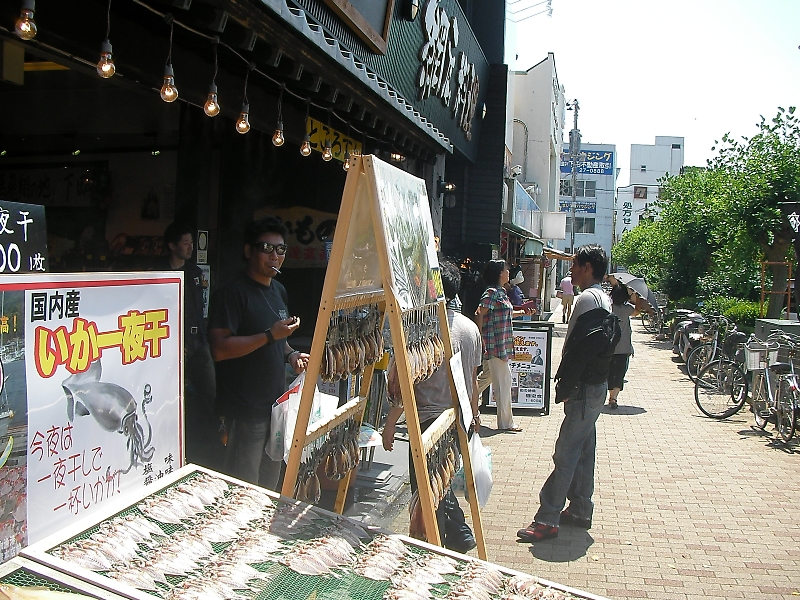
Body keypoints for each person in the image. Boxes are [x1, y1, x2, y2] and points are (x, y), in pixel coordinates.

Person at [517, 244, 619, 542]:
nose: (571, 270)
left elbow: (579, 350)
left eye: (575, 265)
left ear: (588, 268)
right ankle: (580, 509)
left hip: (584, 389)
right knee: (584, 450)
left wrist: (566, 385)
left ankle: (547, 518)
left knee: (566, 452)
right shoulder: (602, 297)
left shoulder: (588, 299)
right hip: (593, 387)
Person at [382, 259, 481, 553]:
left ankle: (443, 543)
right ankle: (456, 537)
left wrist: (390, 423)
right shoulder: (470, 328)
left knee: (427, 490)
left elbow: (406, 384)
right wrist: (474, 416)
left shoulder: (420, 331)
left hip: (426, 422)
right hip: (458, 419)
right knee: (441, 481)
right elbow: (474, 380)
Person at [208, 217, 310, 489]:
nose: (275, 256)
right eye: (267, 248)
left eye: (281, 249)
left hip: (275, 408)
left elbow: (279, 341)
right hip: (244, 410)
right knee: (242, 489)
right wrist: (269, 335)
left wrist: (291, 354)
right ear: (248, 251)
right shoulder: (232, 293)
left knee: (269, 486)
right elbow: (219, 349)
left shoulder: (279, 291)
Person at [163, 222, 220, 469]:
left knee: (209, 391)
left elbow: (199, 309)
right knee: (174, 397)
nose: (190, 247)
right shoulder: (161, 273)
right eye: (185, 243)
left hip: (199, 341)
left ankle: (209, 441)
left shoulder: (195, 272)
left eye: (191, 242)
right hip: (174, 343)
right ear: (172, 246)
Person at [475, 259, 530, 432]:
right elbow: (479, 312)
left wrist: (523, 312)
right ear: (500, 273)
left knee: (487, 377)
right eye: (506, 269)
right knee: (504, 382)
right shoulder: (492, 292)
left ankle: (462, 399)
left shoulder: (500, 292)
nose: (508, 272)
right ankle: (506, 423)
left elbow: (505, 313)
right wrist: (479, 337)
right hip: (495, 344)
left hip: (499, 344)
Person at [607, 283, 640, 409]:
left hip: (609, 346)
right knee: (620, 373)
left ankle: (611, 395)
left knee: (610, 372)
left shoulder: (608, 308)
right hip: (624, 347)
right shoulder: (627, 309)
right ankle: (614, 397)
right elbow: (637, 312)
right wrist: (637, 298)